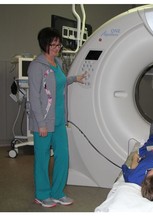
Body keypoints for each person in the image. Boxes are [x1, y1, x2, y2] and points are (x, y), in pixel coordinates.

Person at [28, 27, 86, 208]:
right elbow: (35, 97)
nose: (56, 47)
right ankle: (42, 194)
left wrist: (75, 78)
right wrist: (41, 123)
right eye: (52, 44)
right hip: (43, 122)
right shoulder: (36, 66)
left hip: (59, 120)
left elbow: (59, 82)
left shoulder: (58, 63)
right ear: (44, 45)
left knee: (63, 156)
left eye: (58, 44)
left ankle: (57, 192)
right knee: (42, 158)